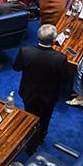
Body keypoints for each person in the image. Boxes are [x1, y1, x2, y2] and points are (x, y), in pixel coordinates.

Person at [13, 25, 70, 154]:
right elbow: (65, 79)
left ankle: (29, 140)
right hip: (49, 97)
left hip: (29, 93)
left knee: (30, 116)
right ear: (54, 40)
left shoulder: (25, 51)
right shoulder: (60, 58)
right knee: (45, 117)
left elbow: (16, 68)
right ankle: (40, 136)